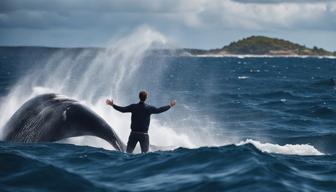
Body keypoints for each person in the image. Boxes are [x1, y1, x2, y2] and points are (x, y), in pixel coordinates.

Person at [106, 91, 176, 153]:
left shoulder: (133, 106)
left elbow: (122, 110)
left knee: (128, 153)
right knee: (145, 155)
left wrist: (113, 105)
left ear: (139, 97)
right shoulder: (149, 108)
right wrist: (169, 105)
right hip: (144, 135)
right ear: (146, 98)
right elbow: (159, 110)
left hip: (134, 134)